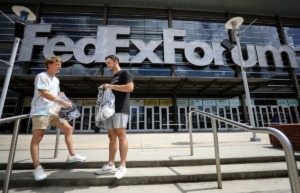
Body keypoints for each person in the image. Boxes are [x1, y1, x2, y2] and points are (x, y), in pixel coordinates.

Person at [30, 56, 86, 181]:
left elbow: (57, 94)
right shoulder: (41, 76)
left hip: (53, 112)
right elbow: (44, 93)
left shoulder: (56, 80)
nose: (60, 66)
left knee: (68, 128)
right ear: (49, 65)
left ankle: (72, 155)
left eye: (60, 64)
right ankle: (37, 167)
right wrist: (61, 101)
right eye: (57, 64)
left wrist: (62, 104)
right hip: (41, 111)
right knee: (38, 138)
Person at [94, 54, 134, 179]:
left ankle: (122, 166)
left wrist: (110, 86)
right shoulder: (113, 77)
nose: (107, 65)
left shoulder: (124, 73)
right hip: (110, 111)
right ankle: (111, 164)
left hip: (121, 109)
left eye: (108, 63)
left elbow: (130, 87)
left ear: (116, 61)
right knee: (111, 136)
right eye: (106, 63)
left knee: (121, 135)